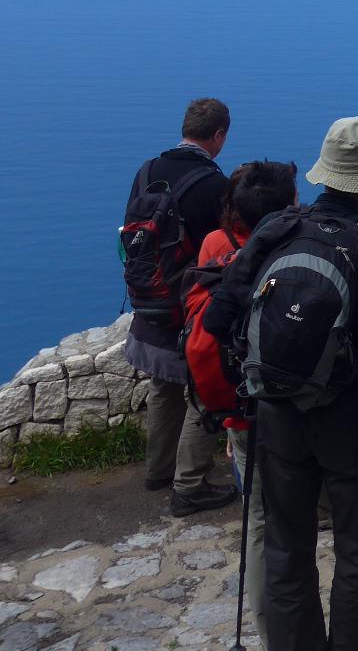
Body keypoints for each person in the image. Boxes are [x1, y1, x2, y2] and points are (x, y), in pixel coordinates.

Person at [205, 117, 358, 651]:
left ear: (323, 174)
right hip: (352, 419)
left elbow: (220, 318)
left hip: (279, 413)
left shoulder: (278, 231)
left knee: (286, 545)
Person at [122, 97, 238, 516]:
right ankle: (189, 482)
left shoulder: (148, 170)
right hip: (186, 300)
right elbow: (220, 247)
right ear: (219, 135)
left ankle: (159, 470)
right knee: (204, 386)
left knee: (162, 383)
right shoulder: (211, 183)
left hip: (146, 294)